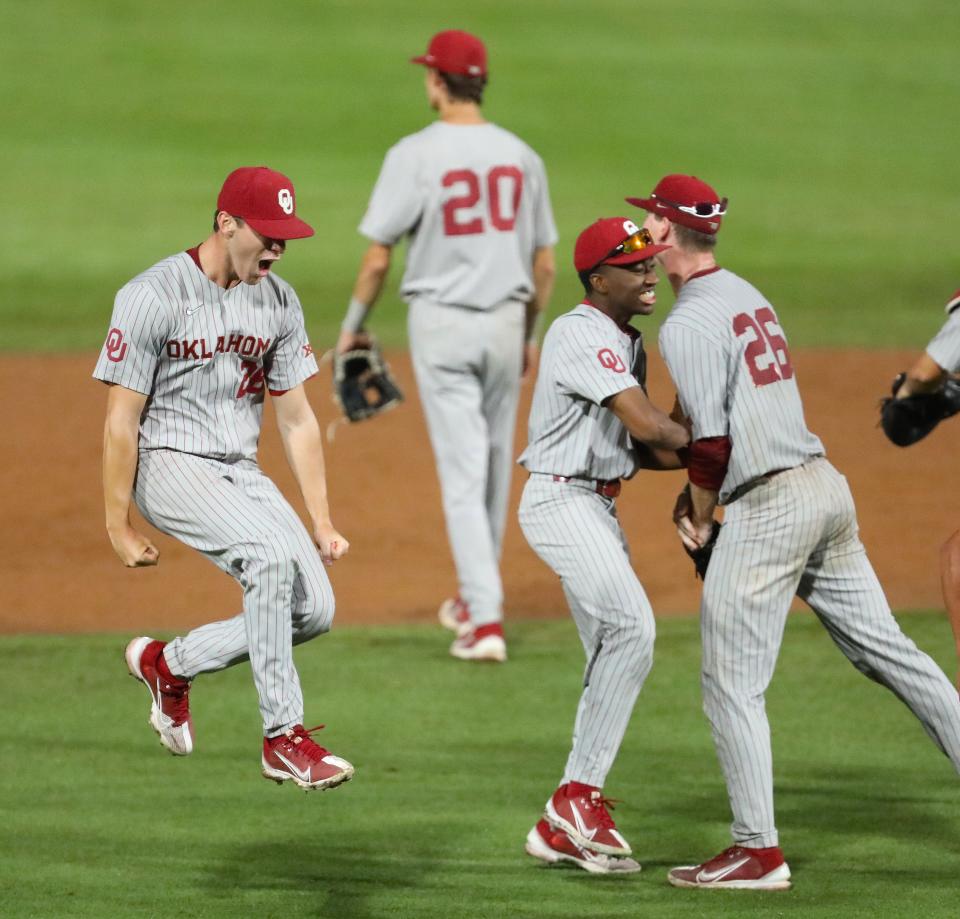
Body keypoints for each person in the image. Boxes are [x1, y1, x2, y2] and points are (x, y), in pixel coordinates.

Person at [627, 173, 960, 889]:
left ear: (663, 231)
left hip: (768, 510)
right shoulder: (747, 294)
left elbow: (708, 446)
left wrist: (703, 518)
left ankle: (757, 849)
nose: (645, 233)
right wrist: (692, 498)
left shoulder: (685, 323)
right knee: (893, 654)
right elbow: (701, 428)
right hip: (823, 490)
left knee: (731, 685)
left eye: (650, 220)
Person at [95, 166, 354, 791]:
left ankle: (169, 664)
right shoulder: (153, 294)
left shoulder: (279, 300)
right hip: (168, 462)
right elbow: (121, 421)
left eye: (285, 238)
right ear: (225, 223)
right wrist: (119, 525)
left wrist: (319, 518)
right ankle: (282, 737)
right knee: (267, 559)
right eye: (266, 234)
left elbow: (295, 419)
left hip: (240, 470)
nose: (278, 248)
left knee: (314, 610)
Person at [336, 29, 558, 662]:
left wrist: (353, 324)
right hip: (506, 322)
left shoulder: (414, 153)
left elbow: (379, 259)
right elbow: (544, 264)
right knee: (491, 462)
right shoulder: (522, 155)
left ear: (437, 81)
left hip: (442, 325)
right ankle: (473, 595)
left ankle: (484, 622)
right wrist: (530, 332)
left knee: (463, 474)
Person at [518, 217, 690, 875]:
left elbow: (645, 449)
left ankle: (560, 824)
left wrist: (700, 429)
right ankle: (577, 797)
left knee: (609, 655)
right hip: (562, 501)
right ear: (598, 279)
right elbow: (648, 423)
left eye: (651, 262)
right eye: (633, 264)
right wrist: (714, 443)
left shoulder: (626, 342)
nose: (648, 273)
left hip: (595, 505)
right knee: (632, 630)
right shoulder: (579, 331)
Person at [882, 289, 960, 687]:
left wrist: (912, 394)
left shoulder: (658, 230)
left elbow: (925, 373)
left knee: (958, 559)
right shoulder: (658, 230)